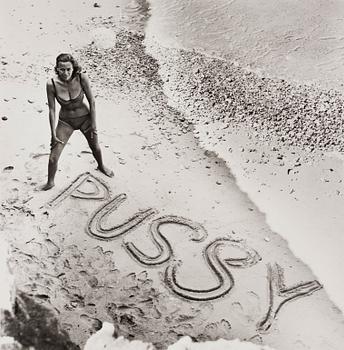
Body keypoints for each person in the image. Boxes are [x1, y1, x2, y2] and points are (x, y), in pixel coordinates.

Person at [42, 53, 113, 190]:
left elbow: (92, 101)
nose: (66, 73)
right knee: (53, 157)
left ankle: (101, 166)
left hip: (85, 119)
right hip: (66, 122)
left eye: (68, 69)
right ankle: (50, 182)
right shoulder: (51, 84)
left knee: (95, 147)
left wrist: (93, 124)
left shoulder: (81, 78)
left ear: (73, 68)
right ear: (57, 68)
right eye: (62, 69)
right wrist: (53, 133)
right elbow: (52, 109)